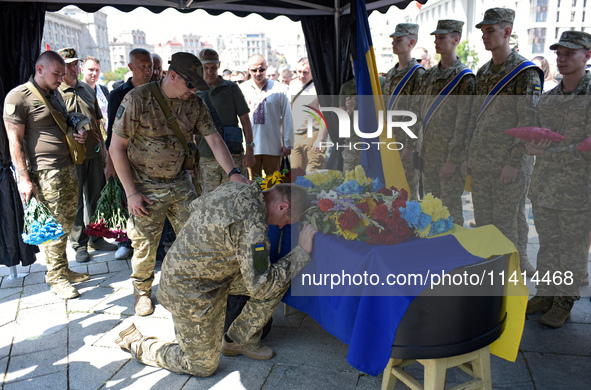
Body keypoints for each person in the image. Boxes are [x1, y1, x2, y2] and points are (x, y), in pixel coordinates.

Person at [115, 182, 318, 376]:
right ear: (283, 206)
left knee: (278, 278)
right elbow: (261, 287)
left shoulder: (236, 187)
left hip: (211, 275)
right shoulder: (253, 224)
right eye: (287, 221)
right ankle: (138, 344)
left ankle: (239, 340)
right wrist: (300, 253)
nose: (281, 227)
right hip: (188, 291)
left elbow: (195, 206)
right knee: (200, 366)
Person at [109, 52, 251, 316]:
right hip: (144, 185)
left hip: (180, 181)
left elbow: (214, 139)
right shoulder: (138, 99)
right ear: (172, 75)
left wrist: (233, 172)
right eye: (190, 84)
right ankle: (142, 291)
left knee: (194, 234)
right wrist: (131, 193)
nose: (194, 90)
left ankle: (189, 283)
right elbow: (116, 148)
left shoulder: (194, 103)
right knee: (145, 243)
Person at [461, 8, 541, 276]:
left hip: (509, 164)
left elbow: (528, 124)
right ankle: (492, 269)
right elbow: (474, 118)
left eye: (490, 30)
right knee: (485, 223)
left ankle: (511, 273)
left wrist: (514, 163)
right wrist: (467, 157)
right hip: (482, 162)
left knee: (509, 221)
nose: (484, 36)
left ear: (507, 32)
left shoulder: (524, 73)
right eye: (483, 31)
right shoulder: (483, 72)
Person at [4, 51, 89, 299]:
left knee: (65, 222)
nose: (61, 79)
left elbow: (63, 124)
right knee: (53, 225)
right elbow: (14, 142)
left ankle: (62, 268)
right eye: (56, 74)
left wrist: (78, 133)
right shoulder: (19, 96)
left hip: (66, 167)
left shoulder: (55, 95)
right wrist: (24, 179)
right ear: (39, 69)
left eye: (63, 74)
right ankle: (56, 277)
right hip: (45, 172)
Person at [525, 31, 591, 328]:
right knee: (548, 245)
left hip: (578, 190)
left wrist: (552, 153)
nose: (561, 59)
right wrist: (531, 146)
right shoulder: (549, 99)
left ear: (587, 56)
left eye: (569, 53)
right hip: (545, 187)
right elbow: (538, 135)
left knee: (572, 247)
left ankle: (564, 301)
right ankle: (545, 293)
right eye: (559, 54)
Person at [57, 47, 117, 263]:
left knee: (96, 197)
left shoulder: (88, 89)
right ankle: (79, 244)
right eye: (69, 65)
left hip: (93, 151)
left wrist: (105, 151)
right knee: (76, 202)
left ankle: (97, 237)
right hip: (70, 156)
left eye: (75, 64)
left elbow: (98, 122)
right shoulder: (55, 92)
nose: (73, 68)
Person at [416, 20, 475, 226]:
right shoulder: (430, 75)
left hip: (449, 158)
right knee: (430, 208)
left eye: (442, 37)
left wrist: (453, 159)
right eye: (435, 37)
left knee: (450, 211)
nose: (436, 41)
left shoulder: (464, 78)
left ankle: (456, 256)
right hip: (428, 155)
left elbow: (464, 124)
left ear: (455, 39)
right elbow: (423, 115)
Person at [105, 48, 153, 260]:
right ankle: (125, 241)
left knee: (151, 199)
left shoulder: (158, 91)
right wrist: (110, 163)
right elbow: (111, 132)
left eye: (150, 66)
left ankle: (154, 244)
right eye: (142, 66)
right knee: (127, 196)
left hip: (152, 157)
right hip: (126, 155)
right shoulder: (118, 94)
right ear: (131, 67)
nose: (147, 70)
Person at [197, 48, 255, 195]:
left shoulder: (231, 88)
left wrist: (250, 149)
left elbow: (245, 120)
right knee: (211, 200)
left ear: (219, 66)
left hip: (233, 153)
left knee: (238, 196)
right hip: (206, 156)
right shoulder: (194, 91)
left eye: (213, 67)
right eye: (205, 68)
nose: (210, 71)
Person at [383, 23, 425, 200]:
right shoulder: (392, 73)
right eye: (393, 39)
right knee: (390, 190)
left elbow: (417, 112)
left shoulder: (418, 74)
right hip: (389, 139)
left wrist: (410, 145)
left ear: (411, 42)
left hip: (406, 142)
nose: (394, 43)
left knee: (408, 191)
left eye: (399, 39)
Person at [240, 54, 293, 179]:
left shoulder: (280, 89)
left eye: (261, 69)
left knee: (274, 183)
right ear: (248, 70)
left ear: (266, 68)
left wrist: (288, 143)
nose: (258, 73)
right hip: (249, 147)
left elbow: (287, 117)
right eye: (254, 70)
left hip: (274, 145)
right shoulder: (241, 89)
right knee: (253, 184)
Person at [290, 57, 326, 172]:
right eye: (299, 72)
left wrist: (320, 139)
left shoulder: (319, 87)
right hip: (295, 135)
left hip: (313, 135)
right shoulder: (293, 84)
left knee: (314, 173)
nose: (301, 75)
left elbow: (325, 116)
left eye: (305, 72)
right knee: (295, 173)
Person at [81, 56, 109, 134]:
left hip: (106, 135)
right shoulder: (77, 91)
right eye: (91, 70)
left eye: (97, 70)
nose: (94, 73)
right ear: (82, 70)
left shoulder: (103, 90)